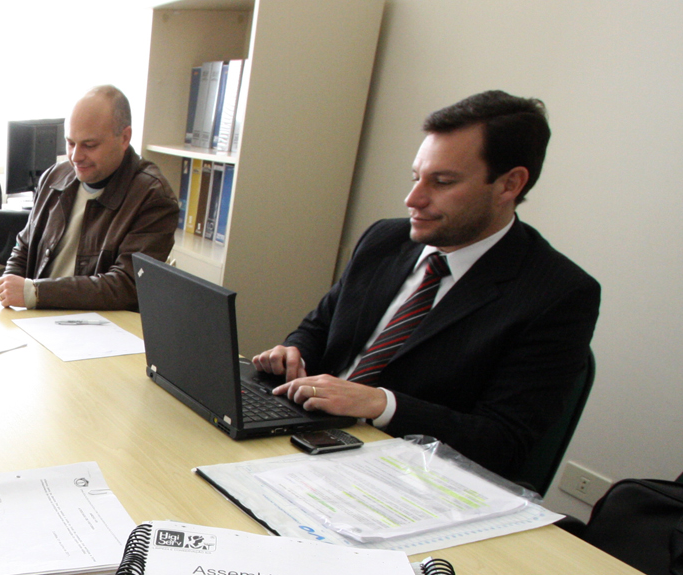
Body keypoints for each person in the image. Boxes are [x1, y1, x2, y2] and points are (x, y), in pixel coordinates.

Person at [251, 91, 600, 482]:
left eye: (442, 182)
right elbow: (320, 327)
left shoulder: (559, 293)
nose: (412, 199)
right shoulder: (384, 239)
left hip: (409, 477)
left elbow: (504, 442)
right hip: (306, 438)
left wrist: (382, 404)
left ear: (509, 184)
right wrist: (293, 352)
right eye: (416, 177)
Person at [0, 86, 177, 312]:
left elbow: (126, 285)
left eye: (89, 145)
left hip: (97, 326)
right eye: (70, 143)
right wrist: (9, 291)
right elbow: (24, 246)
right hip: (38, 317)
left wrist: (35, 293)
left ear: (124, 138)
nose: (75, 157)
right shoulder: (55, 176)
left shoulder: (153, 196)